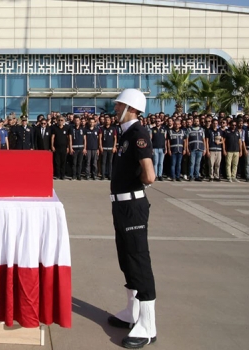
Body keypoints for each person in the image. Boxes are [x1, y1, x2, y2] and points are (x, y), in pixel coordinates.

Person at [107, 89, 157, 349]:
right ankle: (132, 312)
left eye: (120, 105)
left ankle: (148, 325)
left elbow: (149, 175)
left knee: (138, 260)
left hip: (132, 205)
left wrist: (135, 187)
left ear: (132, 108)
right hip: (121, 206)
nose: (116, 108)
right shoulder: (125, 134)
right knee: (126, 258)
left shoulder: (138, 134)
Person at [186, 117, 207, 181]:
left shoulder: (202, 129)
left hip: (200, 148)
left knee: (198, 163)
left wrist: (205, 149)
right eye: (195, 121)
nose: (196, 122)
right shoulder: (189, 129)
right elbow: (187, 140)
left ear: (199, 122)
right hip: (192, 149)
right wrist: (187, 148)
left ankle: (197, 176)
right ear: (193, 122)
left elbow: (204, 140)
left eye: (197, 121)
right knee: (192, 163)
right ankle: (191, 176)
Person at [69, 115, 85, 180]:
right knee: (74, 163)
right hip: (74, 148)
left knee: (80, 163)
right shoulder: (71, 128)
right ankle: (74, 175)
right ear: (74, 121)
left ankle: (79, 175)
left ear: (80, 121)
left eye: (78, 120)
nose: (77, 122)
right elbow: (70, 139)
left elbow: (85, 139)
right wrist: (70, 148)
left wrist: (85, 148)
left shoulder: (83, 129)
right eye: (75, 120)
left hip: (81, 148)